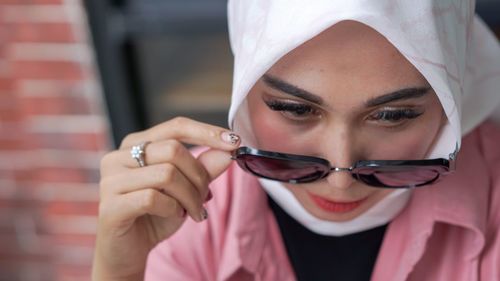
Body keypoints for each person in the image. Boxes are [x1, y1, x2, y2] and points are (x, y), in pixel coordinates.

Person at [92, 0, 500, 280]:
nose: (339, 178)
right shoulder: (174, 205)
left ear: (452, 98)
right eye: (295, 109)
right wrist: (121, 272)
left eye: (392, 116)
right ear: (243, 88)